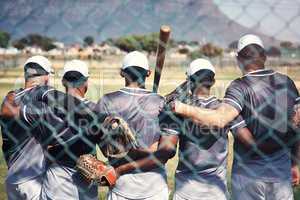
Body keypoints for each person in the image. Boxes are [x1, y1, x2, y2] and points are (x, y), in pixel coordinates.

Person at [169, 34, 300, 200]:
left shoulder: (240, 86)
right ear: (265, 56)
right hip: (280, 172)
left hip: (248, 175)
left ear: (238, 59)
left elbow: (220, 119)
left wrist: (180, 107)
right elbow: (297, 126)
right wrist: (294, 162)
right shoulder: (285, 82)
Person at [159, 58, 250, 200]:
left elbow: (167, 149)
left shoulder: (178, 109)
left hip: (186, 188)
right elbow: (247, 140)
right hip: (216, 189)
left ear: (189, 81)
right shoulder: (225, 110)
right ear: (213, 82)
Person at [94, 51, 169, 200]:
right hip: (155, 185)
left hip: (120, 183)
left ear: (122, 73)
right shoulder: (160, 102)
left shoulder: (107, 100)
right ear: (148, 73)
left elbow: (103, 147)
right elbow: (165, 150)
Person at [39, 60, 99, 200]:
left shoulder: (47, 108)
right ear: (86, 82)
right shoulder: (95, 110)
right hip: (86, 180)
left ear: (63, 82)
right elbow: (108, 149)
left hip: (55, 178)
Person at [0, 55, 53, 200]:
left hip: (12, 178)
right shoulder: (44, 101)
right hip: (34, 179)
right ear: (46, 78)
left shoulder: (10, 99)